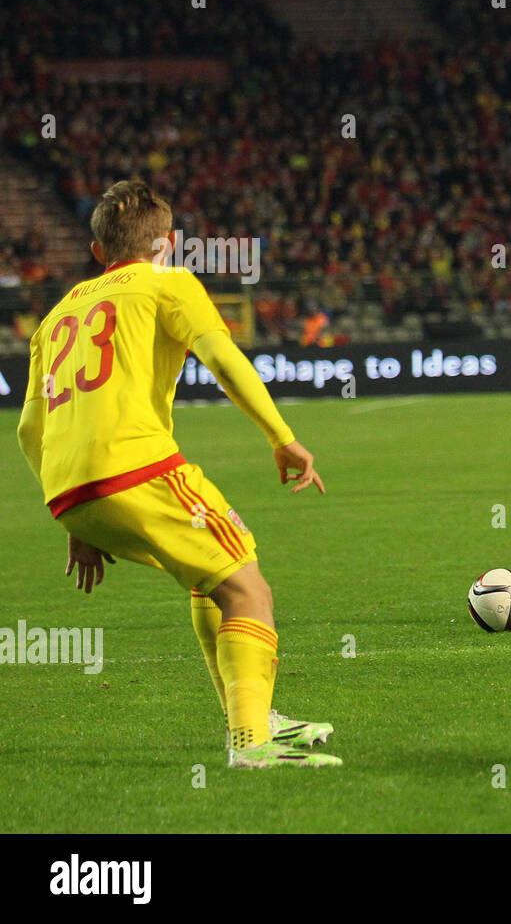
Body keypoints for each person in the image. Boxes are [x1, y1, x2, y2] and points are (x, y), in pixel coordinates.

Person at [15, 179, 341, 767]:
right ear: (168, 244)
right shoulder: (167, 282)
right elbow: (223, 357)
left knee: (208, 580)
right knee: (249, 588)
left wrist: (76, 523)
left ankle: (253, 718)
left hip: (68, 493)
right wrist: (282, 438)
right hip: (135, 468)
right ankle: (251, 744)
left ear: (97, 254)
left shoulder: (54, 316)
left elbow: (26, 433)